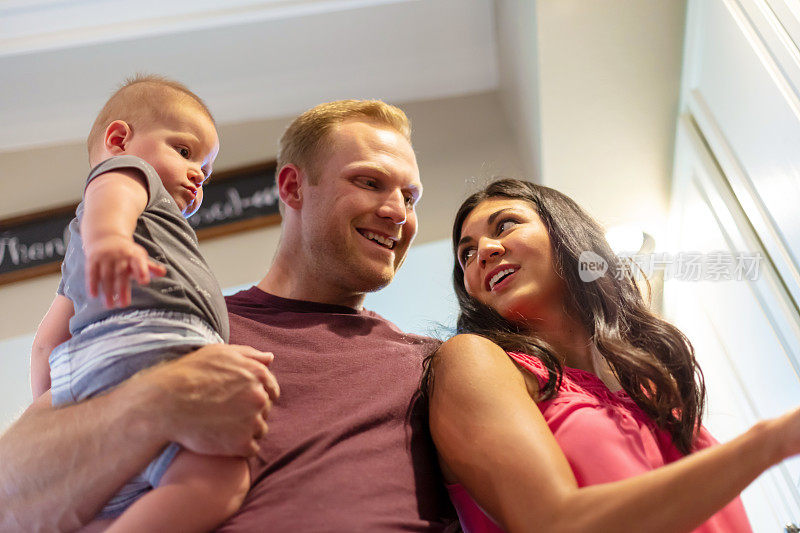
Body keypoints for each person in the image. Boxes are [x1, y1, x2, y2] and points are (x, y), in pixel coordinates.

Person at [0, 99, 453, 531]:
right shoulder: (178, 330)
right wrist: (157, 402)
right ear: (293, 186)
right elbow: (9, 502)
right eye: (370, 182)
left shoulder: (436, 367)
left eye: (410, 197)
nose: (398, 213)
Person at [427, 178, 800, 532]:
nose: (484, 253)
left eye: (505, 225)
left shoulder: (649, 384)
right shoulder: (472, 361)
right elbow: (553, 524)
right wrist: (772, 441)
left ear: (564, 233)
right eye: (467, 254)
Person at [27, 75, 276, 532]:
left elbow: (47, 341)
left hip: (90, 371)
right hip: (155, 345)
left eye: (206, 167)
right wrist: (110, 238)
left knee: (112, 500)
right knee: (218, 477)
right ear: (120, 140)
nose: (199, 173)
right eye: (185, 152)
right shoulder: (130, 176)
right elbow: (110, 195)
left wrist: (58, 405)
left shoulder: (79, 262)